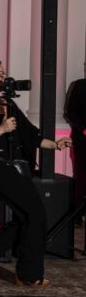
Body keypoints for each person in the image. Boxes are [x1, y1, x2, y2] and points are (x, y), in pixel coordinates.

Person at [0, 53, 70, 287]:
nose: (5, 78)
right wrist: (0, 130)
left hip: (12, 166)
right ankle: (28, 274)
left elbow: (31, 135)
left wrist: (55, 144)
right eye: (0, 75)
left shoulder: (8, 105)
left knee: (26, 218)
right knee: (36, 214)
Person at [63, 76, 86, 217]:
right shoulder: (80, 85)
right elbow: (70, 112)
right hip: (83, 140)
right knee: (82, 176)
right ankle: (77, 214)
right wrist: (84, 129)